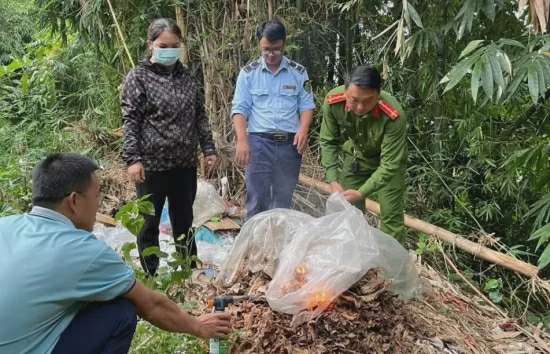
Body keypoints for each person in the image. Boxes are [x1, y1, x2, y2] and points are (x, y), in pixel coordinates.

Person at [0, 153, 231, 354]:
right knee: (121, 310)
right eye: (96, 195)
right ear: (73, 201)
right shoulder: (83, 250)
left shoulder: (5, 225)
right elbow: (151, 305)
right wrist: (199, 327)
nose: (98, 204)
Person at [121, 18, 218, 275]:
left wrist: (209, 149)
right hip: (151, 166)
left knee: (184, 221)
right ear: (150, 44)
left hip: (184, 165)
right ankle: (150, 276)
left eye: (175, 45)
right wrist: (133, 159)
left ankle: (187, 271)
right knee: (149, 223)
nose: (169, 50)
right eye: (163, 45)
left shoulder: (187, 77)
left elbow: (200, 115)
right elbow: (131, 120)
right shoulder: (138, 78)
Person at [231, 19, 315, 219]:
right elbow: (239, 109)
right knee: (256, 199)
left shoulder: (299, 72)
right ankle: (253, 247)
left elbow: (307, 105)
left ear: (283, 44)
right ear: (260, 45)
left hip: (289, 146)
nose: (270, 54)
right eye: (266, 49)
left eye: (275, 49)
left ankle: (278, 246)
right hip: (259, 144)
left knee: (283, 201)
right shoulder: (248, 74)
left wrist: (303, 130)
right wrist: (242, 140)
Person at [319, 65, 407, 242]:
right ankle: (351, 259)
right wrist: (332, 179)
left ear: (378, 94)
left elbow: (390, 165)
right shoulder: (333, 102)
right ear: (345, 92)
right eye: (354, 100)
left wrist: (362, 192)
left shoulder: (393, 115)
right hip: (356, 158)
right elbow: (328, 142)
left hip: (387, 164)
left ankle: (388, 266)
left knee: (390, 215)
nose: (359, 107)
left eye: (367, 101)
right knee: (346, 211)